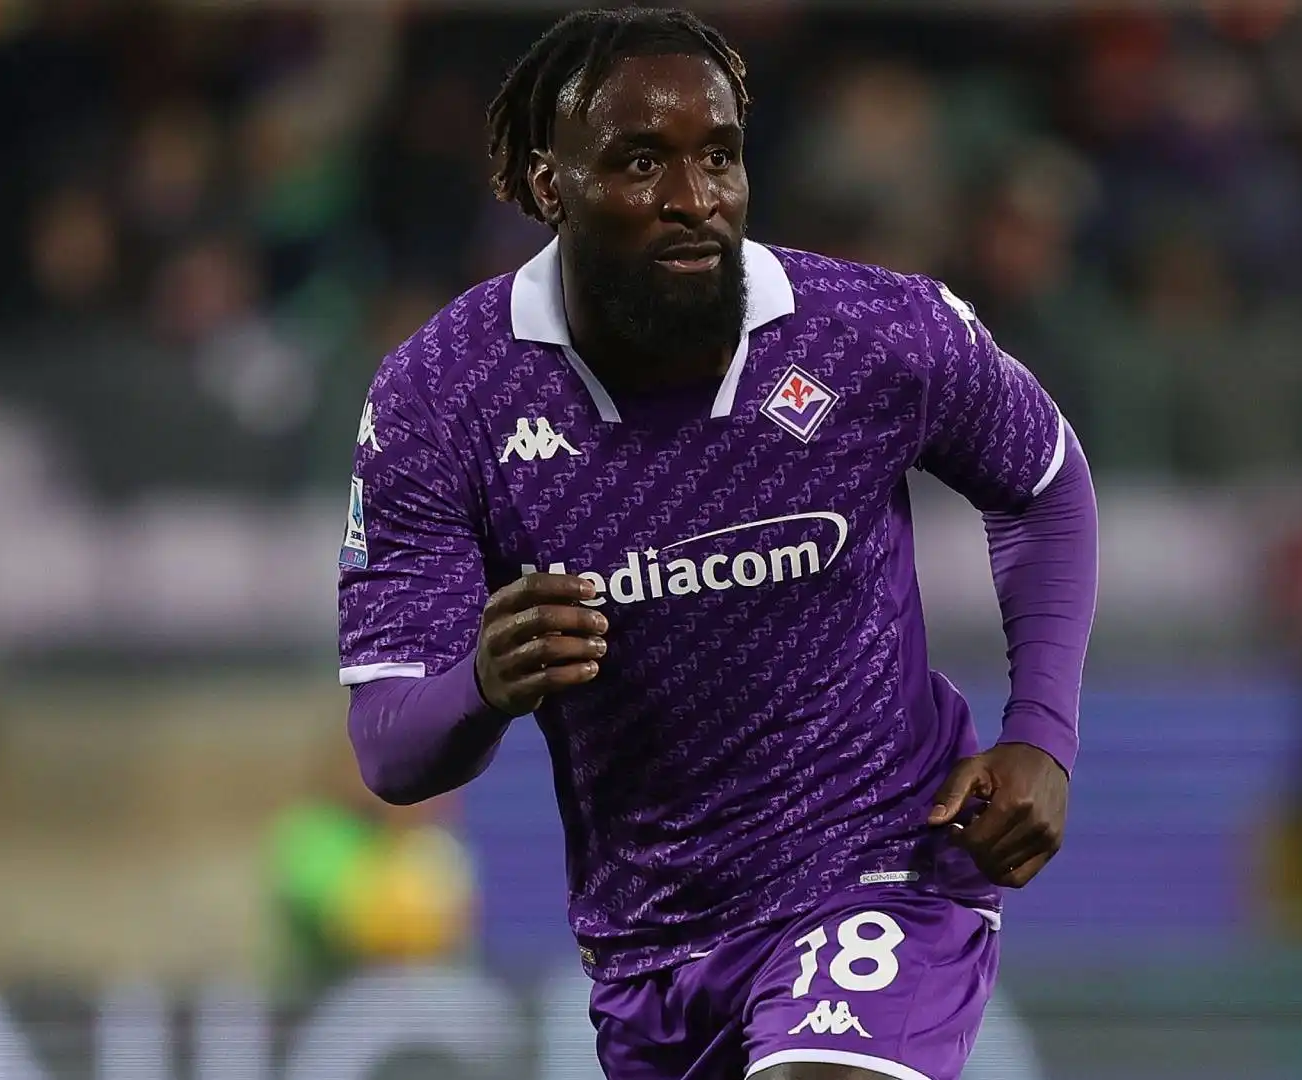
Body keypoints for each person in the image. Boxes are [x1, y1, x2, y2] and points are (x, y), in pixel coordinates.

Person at [336, 9, 1098, 1079]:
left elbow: (1046, 483)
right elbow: (390, 746)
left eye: (720, 157)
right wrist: (484, 685)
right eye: (642, 161)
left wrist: (1043, 734)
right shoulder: (443, 396)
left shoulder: (870, 333)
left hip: (879, 863)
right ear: (551, 185)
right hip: (652, 945)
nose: (695, 199)